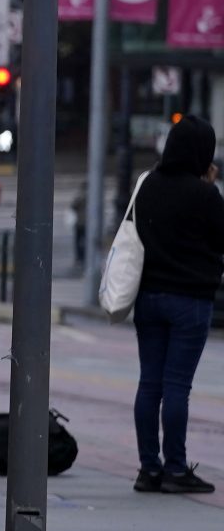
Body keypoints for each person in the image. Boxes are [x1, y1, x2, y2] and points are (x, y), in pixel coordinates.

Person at [130, 115, 224, 495]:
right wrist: (209, 187)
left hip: (148, 299)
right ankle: (175, 468)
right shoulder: (204, 194)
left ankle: (148, 469)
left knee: (149, 384)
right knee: (177, 387)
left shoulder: (148, 185)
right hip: (189, 301)